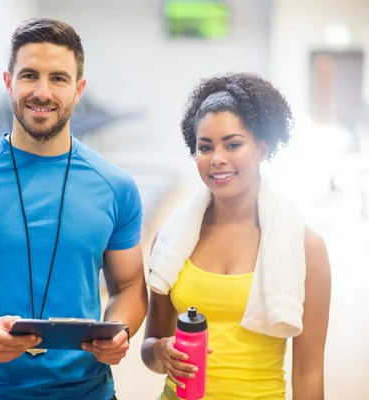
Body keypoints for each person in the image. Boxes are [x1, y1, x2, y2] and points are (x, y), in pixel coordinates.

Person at [0, 18, 147, 400]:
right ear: (8, 82)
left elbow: (130, 286)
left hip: (87, 392)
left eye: (58, 78)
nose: (42, 92)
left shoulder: (115, 186)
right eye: (29, 76)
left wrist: (119, 330)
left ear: (78, 89)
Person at [141, 73, 331, 399]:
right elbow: (150, 348)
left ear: (262, 147)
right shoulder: (172, 240)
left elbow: (309, 371)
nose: (217, 158)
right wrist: (159, 352)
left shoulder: (304, 247)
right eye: (205, 147)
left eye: (233, 144)